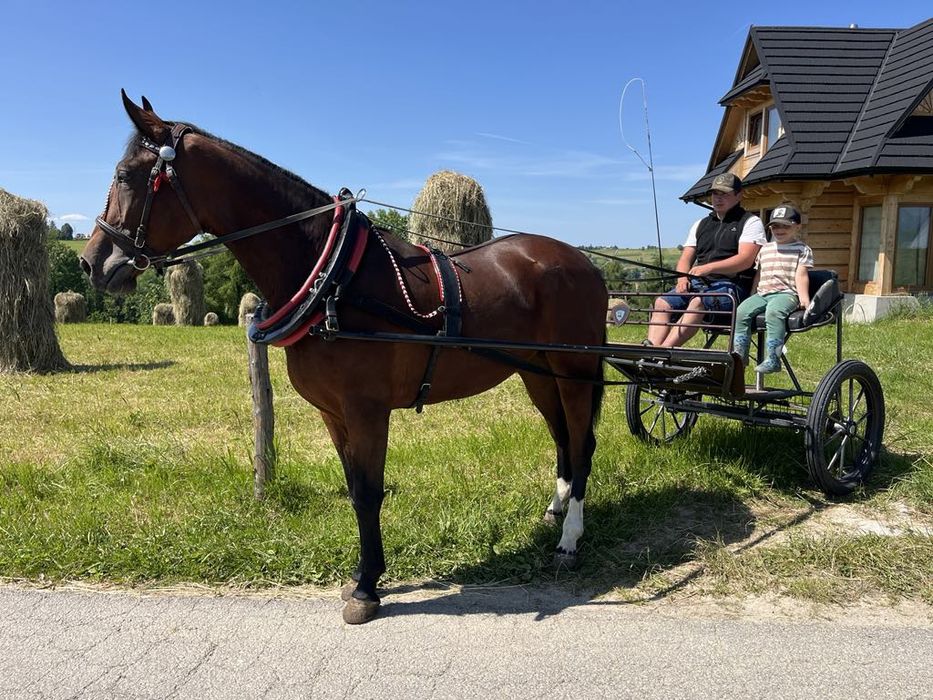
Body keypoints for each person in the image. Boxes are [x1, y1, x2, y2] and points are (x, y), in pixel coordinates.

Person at [646, 173, 766, 347]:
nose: (718, 198)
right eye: (715, 193)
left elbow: (745, 260)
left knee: (698, 302)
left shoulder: (750, 222)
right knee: (662, 302)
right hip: (698, 284)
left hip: (733, 287)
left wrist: (708, 268)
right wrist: (682, 278)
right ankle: (651, 351)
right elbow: (686, 257)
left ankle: (665, 352)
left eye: (725, 193)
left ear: (739, 195)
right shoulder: (700, 224)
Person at [732, 204, 814, 374]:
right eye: (775, 226)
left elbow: (801, 274)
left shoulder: (802, 249)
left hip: (786, 293)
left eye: (785, 226)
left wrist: (804, 298)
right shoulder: (765, 249)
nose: (780, 230)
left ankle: (773, 358)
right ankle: (740, 355)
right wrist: (752, 293)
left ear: (797, 227)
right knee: (740, 312)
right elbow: (759, 273)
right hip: (763, 293)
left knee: (774, 312)